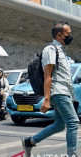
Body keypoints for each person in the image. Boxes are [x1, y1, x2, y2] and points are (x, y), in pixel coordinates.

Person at [22, 21, 79, 157]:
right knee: (73, 122)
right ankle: (71, 155)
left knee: (60, 125)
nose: (70, 36)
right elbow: (47, 75)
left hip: (64, 92)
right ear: (59, 35)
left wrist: (71, 96)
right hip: (58, 92)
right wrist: (46, 99)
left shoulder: (61, 51)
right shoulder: (51, 49)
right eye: (68, 34)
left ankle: (30, 141)